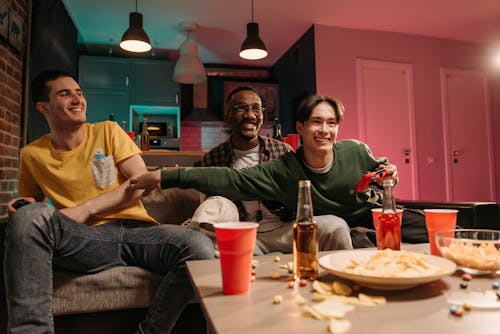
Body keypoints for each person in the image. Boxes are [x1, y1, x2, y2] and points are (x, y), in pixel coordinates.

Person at [4, 70, 214, 334]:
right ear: (43, 107)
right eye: (64, 93)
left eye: (79, 92)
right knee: (25, 217)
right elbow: (34, 202)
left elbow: (141, 181)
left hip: (138, 233)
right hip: (85, 240)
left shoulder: (108, 131)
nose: (77, 99)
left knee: (199, 247)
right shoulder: (32, 154)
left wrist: (86, 208)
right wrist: (26, 205)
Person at [130, 94, 428, 245]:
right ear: (300, 127)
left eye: (331, 123)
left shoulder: (355, 150)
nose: (325, 130)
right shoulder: (285, 169)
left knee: (433, 228)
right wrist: (163, 175)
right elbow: (230, 179)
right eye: (316, 122)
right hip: (331, 228)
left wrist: (390, 175)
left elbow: (382, 173)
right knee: (339, 228)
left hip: (373, 217)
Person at [194, 86, 353, 254]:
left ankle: (349, 277)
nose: (250, 115)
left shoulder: (283, 151)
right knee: (218, 210)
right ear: (227, 115)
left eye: (256, 109)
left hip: (287, 231)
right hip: (245, 238)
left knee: (336, 225)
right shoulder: (211, 160)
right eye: (241, 108)